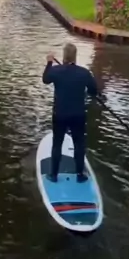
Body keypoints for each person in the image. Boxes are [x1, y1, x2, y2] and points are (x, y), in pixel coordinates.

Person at [42, 43, 99, 183]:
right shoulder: (84, 73)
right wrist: (86, 89)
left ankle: (53, 175)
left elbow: (45, 79)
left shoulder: (56, 71)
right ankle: (80, 175)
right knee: (79, 144)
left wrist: (49, 62)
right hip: (78, 115)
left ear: (64, 56)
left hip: (60, 114)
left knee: (57, 143)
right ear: (75, 56)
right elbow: (94, 91)